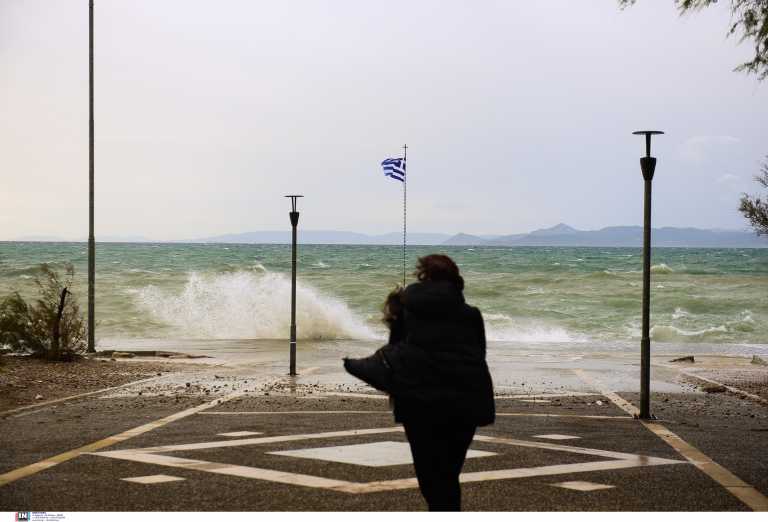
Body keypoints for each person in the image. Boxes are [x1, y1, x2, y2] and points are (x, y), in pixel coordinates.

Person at [378, 254, 495, 511]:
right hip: (463, 406)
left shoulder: (405, 311)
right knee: (448, 474)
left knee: (430, 476)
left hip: (419, 406)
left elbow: (395, 355)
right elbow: (478, 358)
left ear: (423, 277)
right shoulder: (471, 314)